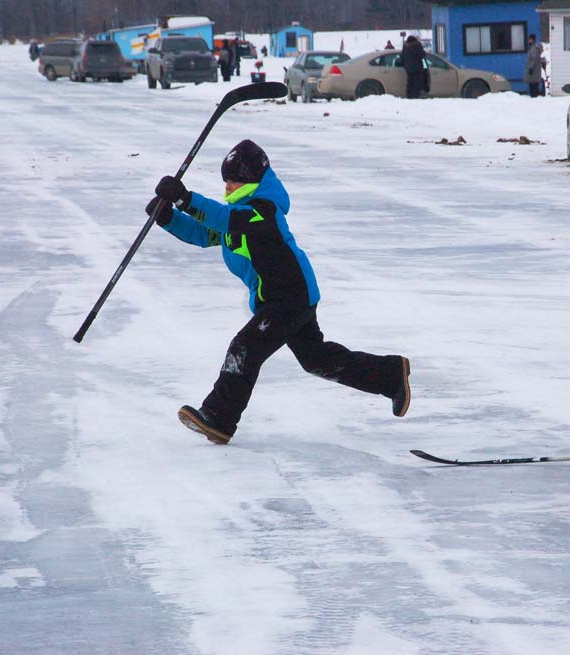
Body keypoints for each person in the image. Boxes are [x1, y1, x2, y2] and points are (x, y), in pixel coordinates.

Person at [146, 140, 412, 444]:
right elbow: (204, 233)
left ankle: (219, 416)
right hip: (280, 299)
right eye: (226, 180)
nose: (228, 186)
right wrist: (167, 218)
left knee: (245, 348)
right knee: (316, 359)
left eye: (234, 180)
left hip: (290, 297)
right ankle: (390, 374)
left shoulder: (262, 211)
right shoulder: (237, 212)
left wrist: (185, 199)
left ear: (252, 180)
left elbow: (226, 219)